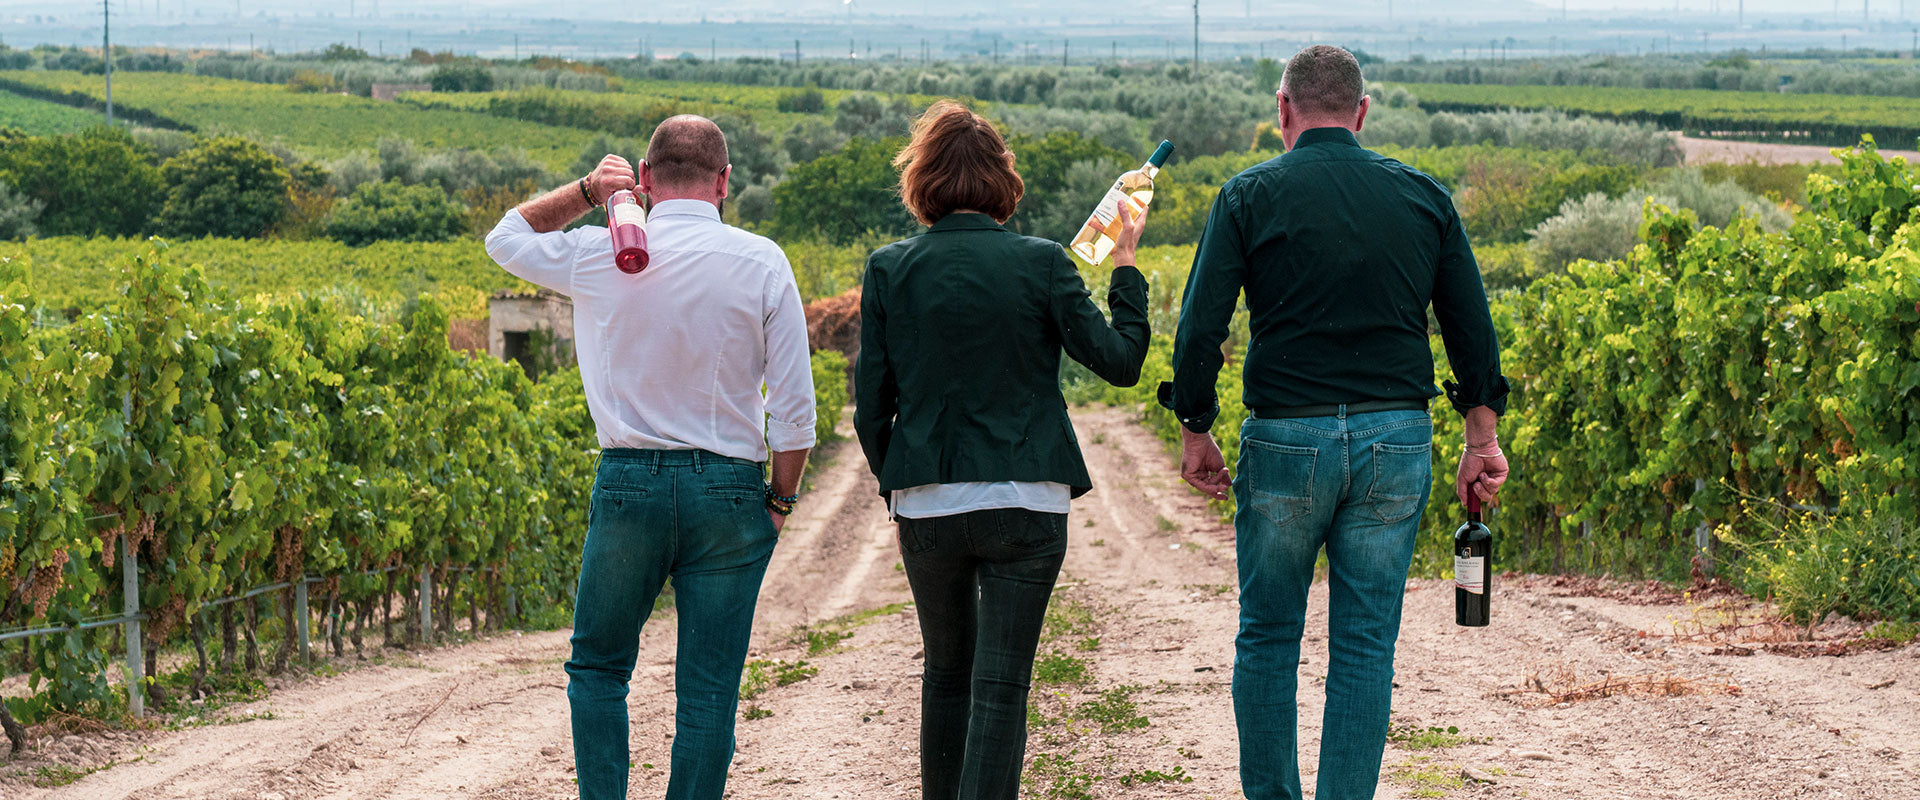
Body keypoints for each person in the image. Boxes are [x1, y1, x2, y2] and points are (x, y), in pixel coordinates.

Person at [1161, 45, 1512, 800]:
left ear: (1282, 111)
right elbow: (1471, 334)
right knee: (1363, 647)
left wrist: (1196, 426)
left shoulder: (1247, 194)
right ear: (1362, 112)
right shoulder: (1423, 197)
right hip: (1396, 439)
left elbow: (1199, 330)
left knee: (1268, 636)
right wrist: (1479, 439)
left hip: (1286, 437)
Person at [484, 115, 816, 800]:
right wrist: (779, 500)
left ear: (643, 178)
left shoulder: (598, 250)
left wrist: (585, 189)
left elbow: (505, 238)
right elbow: (794, 415)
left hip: (629, 487)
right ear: (724, 183)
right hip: (729, 490)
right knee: (708, 689)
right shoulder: (763, 260)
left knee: (600, 669)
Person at [854, 100, 1152, 800]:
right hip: (1027, 501)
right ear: (1003, 180)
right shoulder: (1043, 262)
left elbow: (872, 406)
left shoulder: (889, 268)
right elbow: (1120, 361)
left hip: (927, 501)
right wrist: (1126, 260)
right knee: (1001, 686)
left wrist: (900, 481)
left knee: (944, 675)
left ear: (920, 180)